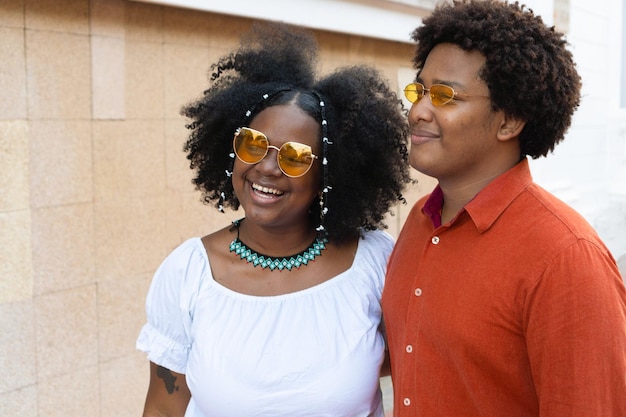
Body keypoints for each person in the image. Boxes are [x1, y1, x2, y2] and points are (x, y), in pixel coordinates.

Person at [136, 22, 412, 417]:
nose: (266, 168)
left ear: (327, 178)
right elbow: (164, 408)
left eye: (295, 157)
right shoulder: (187, 273)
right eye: (253, 144)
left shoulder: (373, 261)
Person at [381, 1, 626, 416]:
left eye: (444, 96)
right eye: (419, 90)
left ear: (509, 121)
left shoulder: (566, 257)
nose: (418, 110)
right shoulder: (421, 219)